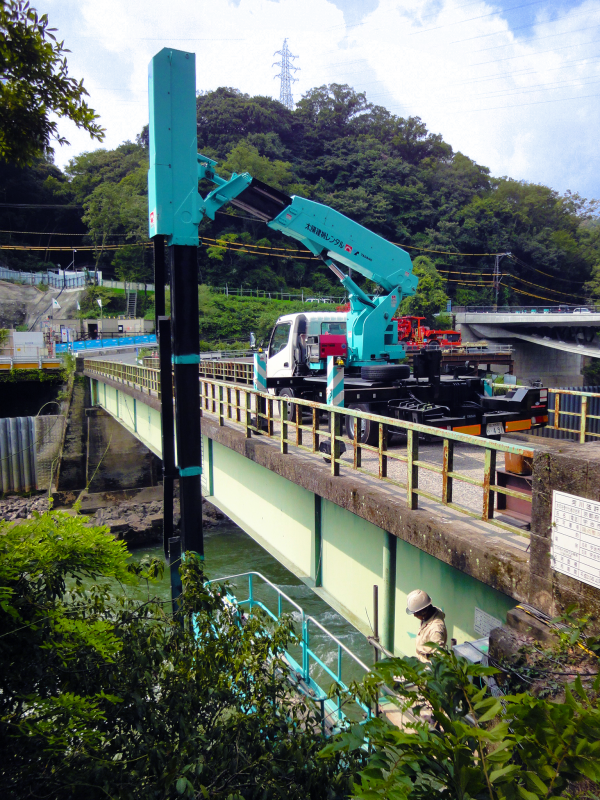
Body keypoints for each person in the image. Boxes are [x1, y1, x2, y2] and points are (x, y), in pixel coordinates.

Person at [406, 589, 447, 663]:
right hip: (419, 658)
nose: (414, 615)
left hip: (426, 664)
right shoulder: (431, 612)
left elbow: (440, 656)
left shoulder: (435, 630)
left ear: (424, 611)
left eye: (416, 613)